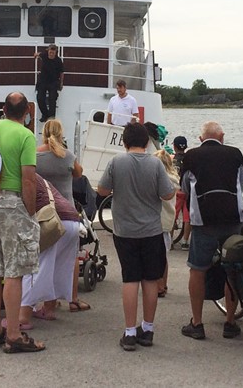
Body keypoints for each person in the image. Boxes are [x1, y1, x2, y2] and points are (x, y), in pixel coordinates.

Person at [97, 122, 176, 351]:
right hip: (151, 230)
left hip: (125, 231)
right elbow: (167, 193)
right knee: (150, 280)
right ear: (147, 141)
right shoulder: (155, 163)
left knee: (130, 279)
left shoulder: (116, 162)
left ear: (124, 142)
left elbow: (102, 190)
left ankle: (130, 332)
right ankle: (148, 329)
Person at [0, 92, 45, 353]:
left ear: (4, 109)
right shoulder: (26, 136)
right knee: (14, 270)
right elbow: (29, 179)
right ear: (27, 111)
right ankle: (14, 335)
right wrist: (30, 211)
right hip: (11, 202)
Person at [180, 121, 243, 341]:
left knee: (197, 269)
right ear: (222, 136)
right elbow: (241, 182)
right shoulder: (236, 154)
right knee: (232, 268)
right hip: (233, 220)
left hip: (203, 222)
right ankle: (230, 321)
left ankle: (197, 323)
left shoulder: (191, 156)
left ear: (201, 139)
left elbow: (184, 187)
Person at [34, 118, 89, 314]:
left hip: (44, 213)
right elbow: (79, 174)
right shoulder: (67, 156)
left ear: (43, 133)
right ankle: (72, 300)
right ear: (61, 134)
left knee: (46, 259)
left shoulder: (35, 156)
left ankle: (48, 303)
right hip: (68, 212)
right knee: (70, 258)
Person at [16, 174, 80, 327]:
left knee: (34, 268)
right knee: (56, 268)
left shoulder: (23, 177)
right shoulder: (40, 178)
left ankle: (23, 318)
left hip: (50, 222)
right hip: (71, 220)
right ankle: (48, 310)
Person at [154, 149, 179, 297]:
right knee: (164, 256)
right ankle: (164, 283)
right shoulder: (174, 178)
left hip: (157, 220)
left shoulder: (158, 179)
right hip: (168, 220)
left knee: (156, 256)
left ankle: (158, 285)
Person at [34, 44, 64, 122]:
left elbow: (61, 73)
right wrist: (35, 55)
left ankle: (51, 117)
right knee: (40, 98)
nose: (51, 54)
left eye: (53, 52)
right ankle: (45, 114)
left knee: (52, 100)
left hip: (53, 82)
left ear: (55, 52)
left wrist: (61, 83)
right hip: (43, 81)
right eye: (50, 52)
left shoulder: (58, 61)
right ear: (48, 51)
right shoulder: (44, 55)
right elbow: (37, 54)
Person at [172, 135, 191, 250]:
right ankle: (185, 242)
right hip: (187, 191)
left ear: (174, 146)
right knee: (187, 217)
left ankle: (169, 242)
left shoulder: (172, 160)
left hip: (177, 190)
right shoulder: (189, 159)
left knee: (172, 215)